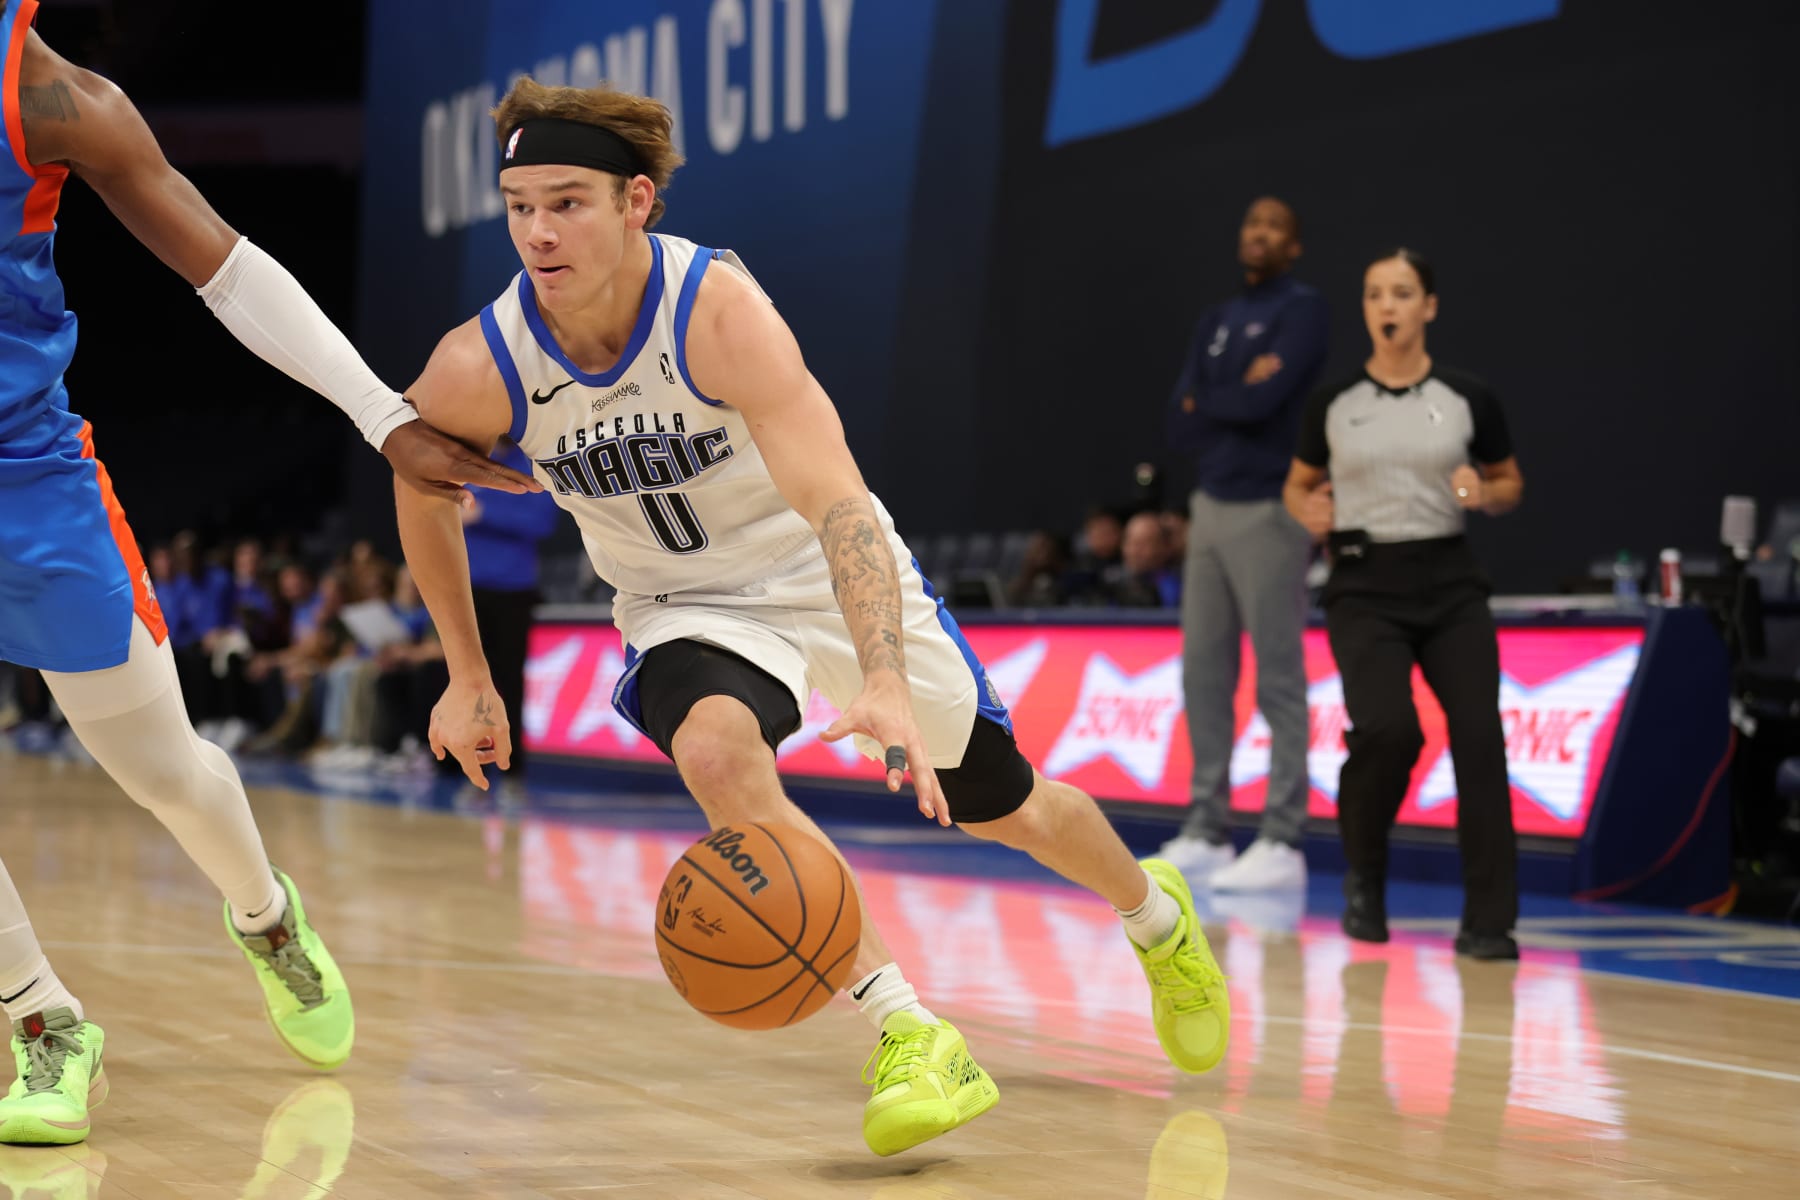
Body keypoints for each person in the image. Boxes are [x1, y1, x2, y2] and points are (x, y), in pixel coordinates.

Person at [393, 78, 1230, 1158]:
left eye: (568, 203)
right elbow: (420, 483)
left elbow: (838, 504)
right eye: (519, 207)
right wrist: (467, 674)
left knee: (1007, 808)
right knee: (715, 752)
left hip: (816, 566)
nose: (538, 233)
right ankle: (909, 1029)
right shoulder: (484, 361)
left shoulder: (716, 313)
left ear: (636, 200)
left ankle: (1155, 918)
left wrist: (881, 674)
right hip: (684, 605)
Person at [0, 2, 539, 1145]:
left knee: (164, 770)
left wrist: (383, 416)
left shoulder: (52, 97)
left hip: (26, 486)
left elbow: (229, 269)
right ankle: (43, 1021)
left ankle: (265, 915)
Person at [1283, 248, 1525, 961]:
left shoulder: (1466, 395)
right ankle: (1365, 872)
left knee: (1479, 736)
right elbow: (1297, 485)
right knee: (1389, 731)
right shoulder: (1334, 403)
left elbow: (1510, 482)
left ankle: (1489, 923)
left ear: (1430, 306)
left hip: (1449, 580)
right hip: (1364, 583)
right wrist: (1307, 510)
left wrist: (1484, 492)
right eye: (1374, 294)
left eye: (1402, 292)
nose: (1386, 306)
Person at [1156, 197, 1328, 893]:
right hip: (1211, 505)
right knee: (1203, 672)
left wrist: (1212, 398)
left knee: (1278, 675)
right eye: (1252, 223)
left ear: (1294, 245)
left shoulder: (1303, 310)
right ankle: (1207, 827)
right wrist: (1230, 394)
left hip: (1271, 506)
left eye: (1275, 226)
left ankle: (1283, 836)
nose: (1259, 233)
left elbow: (1264, 403)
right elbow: (1179, 421)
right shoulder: (1218, 319)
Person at [460, 437, 562, 779]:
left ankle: (512, 770)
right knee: (466, 680)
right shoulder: (468, 463)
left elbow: (542, 522)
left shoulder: (531, 466)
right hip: (468, 589)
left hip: (512, 589)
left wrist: (484, 514)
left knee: (509, 680)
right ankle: (468, 765)